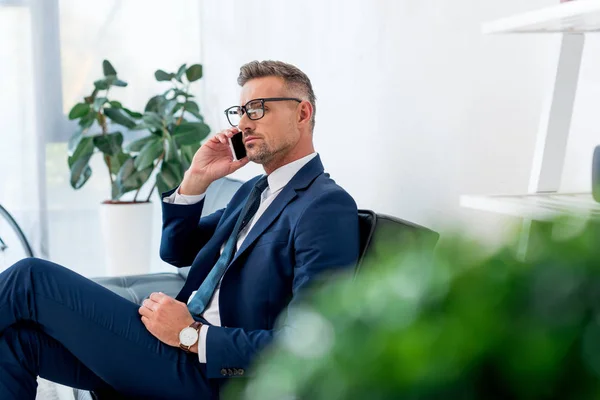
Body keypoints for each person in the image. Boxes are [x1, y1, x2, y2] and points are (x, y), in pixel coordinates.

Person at [0, 60, 360, 399]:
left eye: (258, 108)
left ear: (302, 112)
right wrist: (195, 180)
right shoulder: (255, 193)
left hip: (211, 372)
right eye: (240, 112)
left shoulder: (324, 206)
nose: (244, 123)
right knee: (16, 342)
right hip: (167, 343)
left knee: (30, 278)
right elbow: (177, 251)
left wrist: (191, 335)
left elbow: (312, 342)